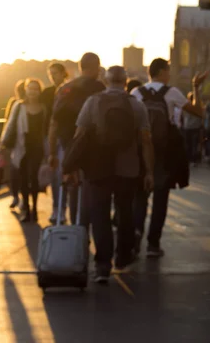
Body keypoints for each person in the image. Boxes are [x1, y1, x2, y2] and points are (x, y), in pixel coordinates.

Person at [67, 66, 154, 283]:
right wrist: (149, 171)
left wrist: (73, 166)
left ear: (106, 81)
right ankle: (123, 257)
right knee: (125, 212)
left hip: (98, 168)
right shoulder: (136, 104)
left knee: (99, 215)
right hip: (128, 168)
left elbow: (80, 135)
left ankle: (103, 265)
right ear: (126, 82)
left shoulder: (93, 102)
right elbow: (146, 140)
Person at [130, 58, 207, 257]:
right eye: (168, 70)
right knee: (160, 198)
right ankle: (153, 244)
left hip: (141, 150)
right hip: (164, 152)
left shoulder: (136, 93)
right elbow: (198, 112)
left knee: (140, 196)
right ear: (162, 71)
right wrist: (195, 87)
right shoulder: (172, 93)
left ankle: (136, 232)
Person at [48, 53, 105, 226]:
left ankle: (77, 229)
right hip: (95, 148)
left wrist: (52, 152)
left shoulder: (65, 89)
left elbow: (54, 124)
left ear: (80, 67)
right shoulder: (100, 88)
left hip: (69, 147)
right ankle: (93, 229)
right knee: (94, 191)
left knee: (74, 188)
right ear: (97, 67)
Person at [0, 79, 48, 222]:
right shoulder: (19, 106)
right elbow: (10, 124)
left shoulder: (44, 108)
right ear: (26, 90)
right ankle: (26, 208)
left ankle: (34, 209)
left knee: (34, 178)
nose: (32, 92)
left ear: (39, 91)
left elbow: (46, 129)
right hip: (22, 146)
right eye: (30, 88)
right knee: (23, 179)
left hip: (37, 147)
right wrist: (3, 142)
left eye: (35, 89)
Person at [40, 63, 69, 224]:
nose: (53, 77)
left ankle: (62, 209)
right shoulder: (47, 93)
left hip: (64, 136)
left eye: (55, 73)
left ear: (63, 73)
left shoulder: (71, 90)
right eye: (50, 74)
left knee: (61, 173)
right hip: (49, 136)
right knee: (53, 174)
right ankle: (56, 207)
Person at [4, 80, 26, 209]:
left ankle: (18, 197)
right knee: (15, 172)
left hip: (22, 144)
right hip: (15, 144)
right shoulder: (15, 103)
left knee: (18, 172)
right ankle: (17, 196)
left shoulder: (20, 104)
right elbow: (9, 123)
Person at [182, 92, 203, 165]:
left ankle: (189, 159)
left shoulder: (186, 106)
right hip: (196, 127)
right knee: (195, 144)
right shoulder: (198, 106)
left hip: (187, 127)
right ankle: (194, 159)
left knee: (188, 144)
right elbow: (202, 116)